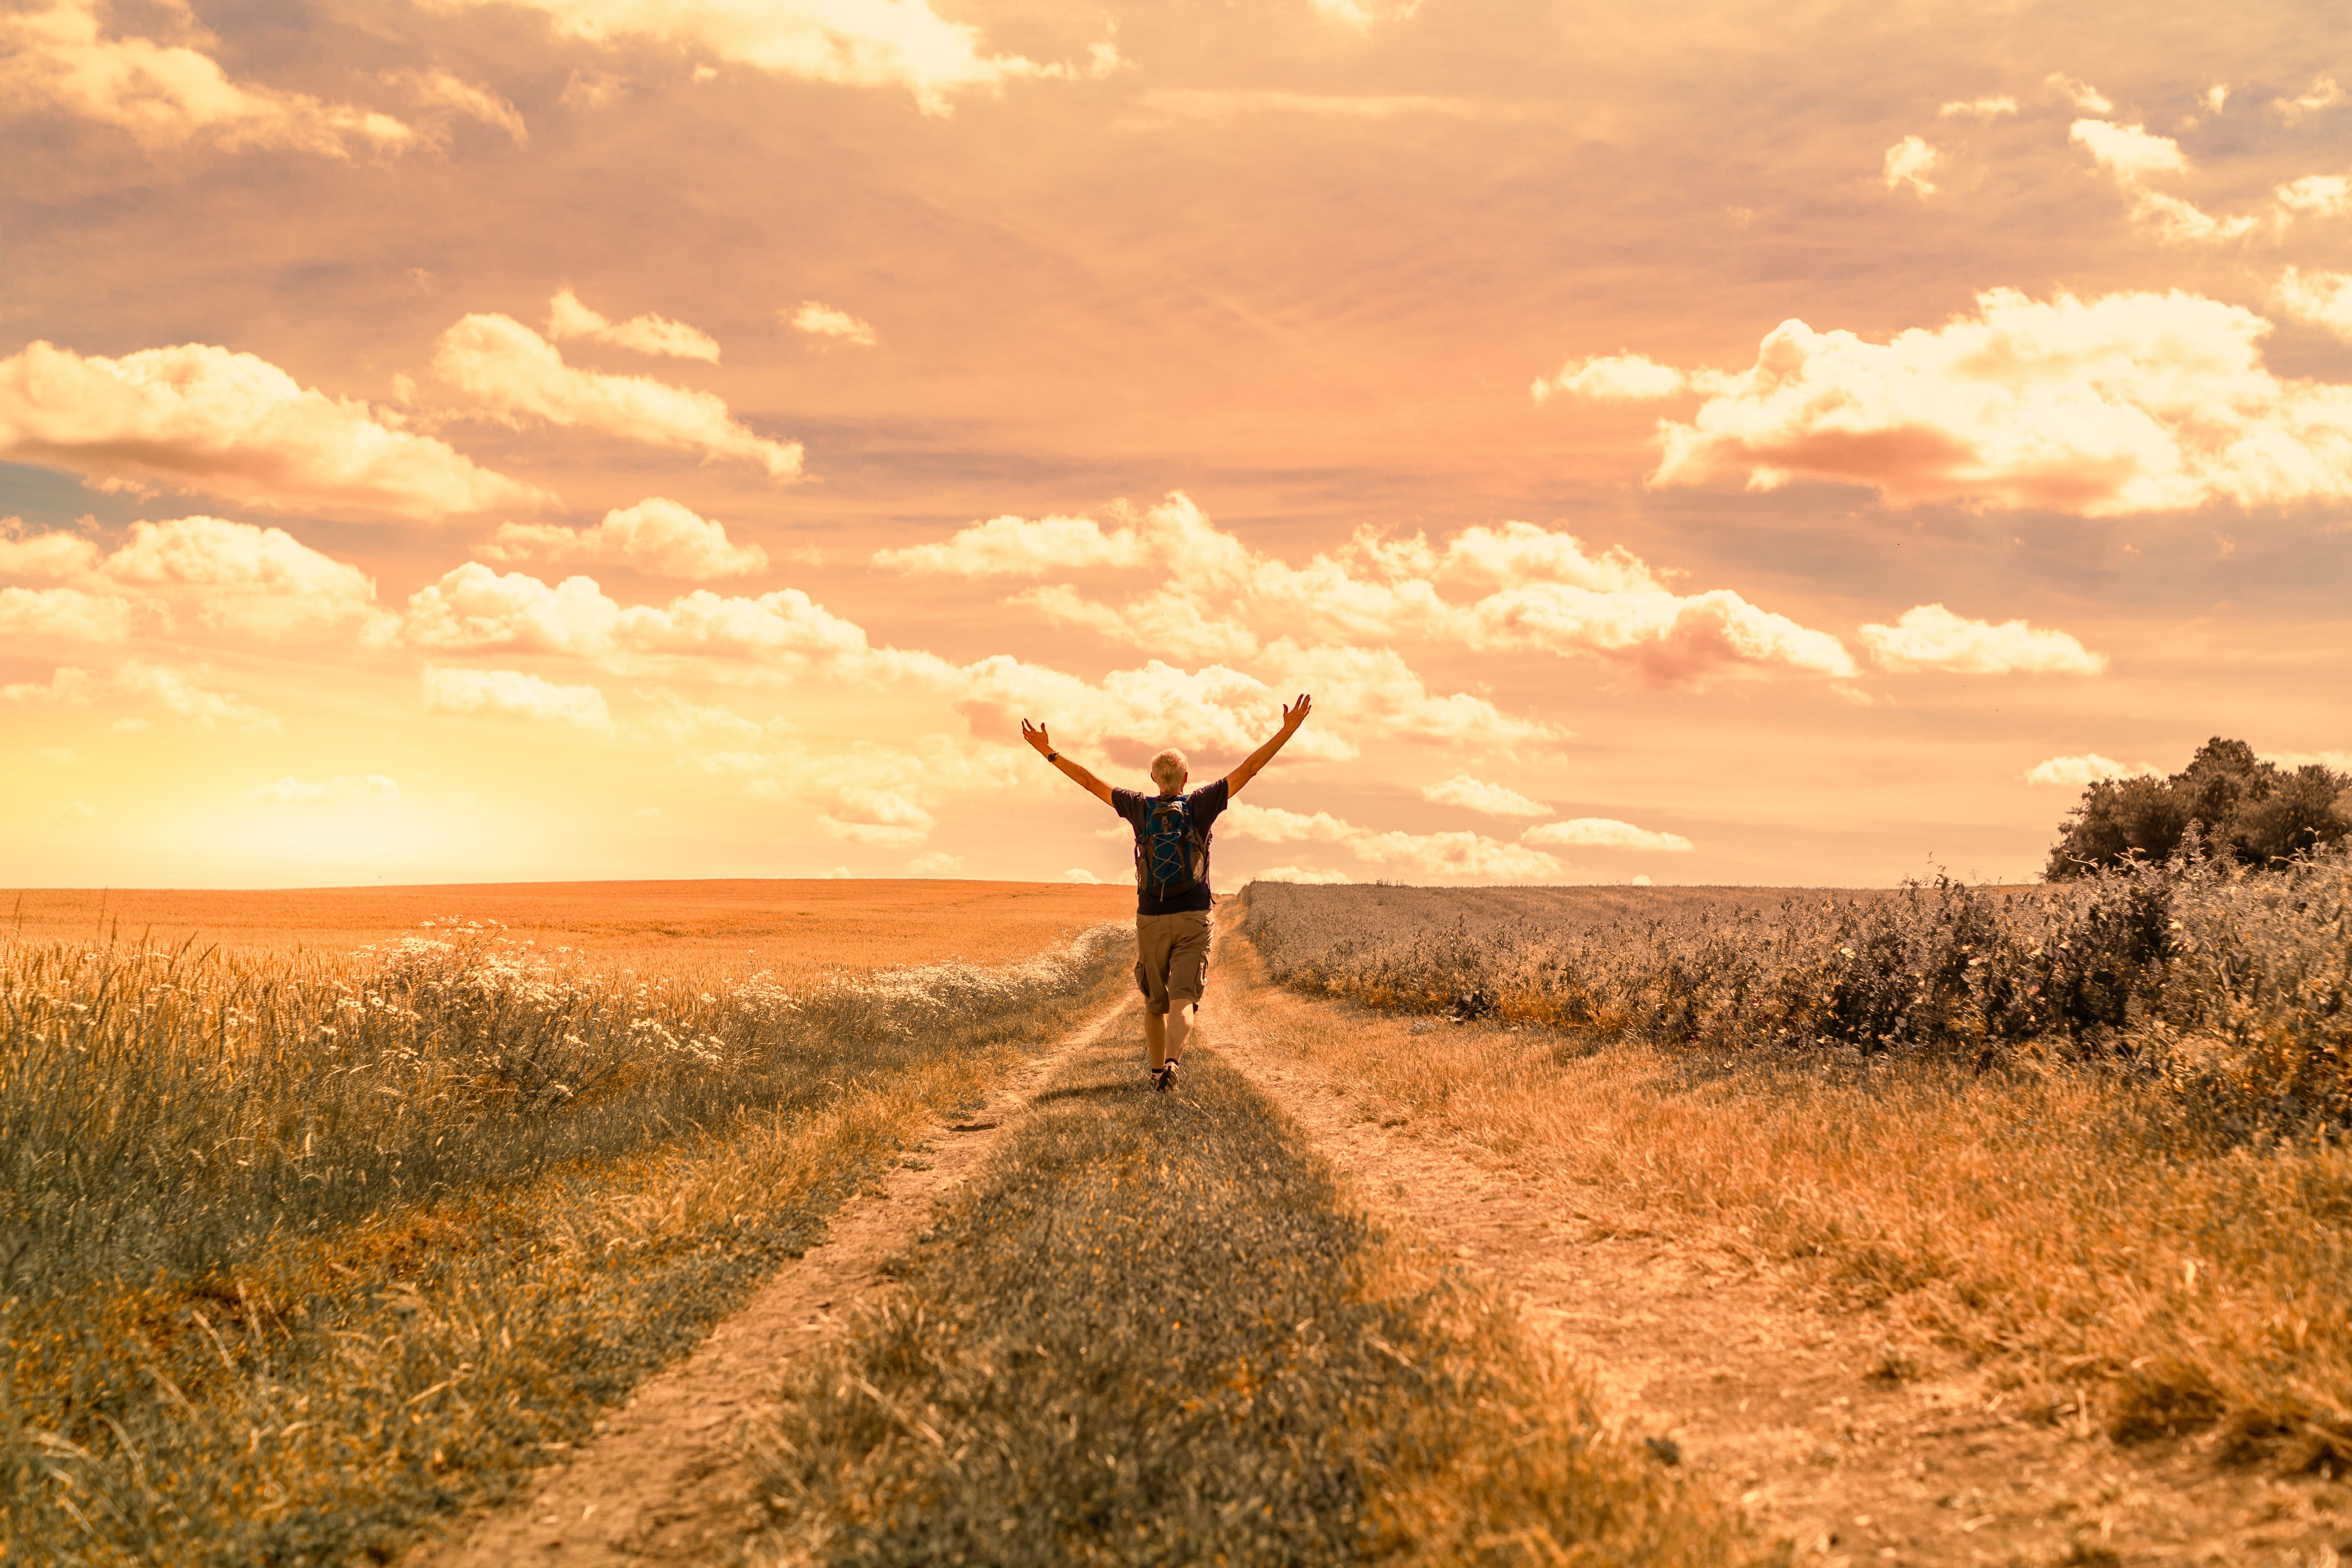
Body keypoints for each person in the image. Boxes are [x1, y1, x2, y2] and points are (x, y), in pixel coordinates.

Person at [1021, 695, 1313, 1091]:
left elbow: (1090, 781)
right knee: (1183, 1002)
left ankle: (1157, 1072)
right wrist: (1288, 730)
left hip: (1151, 917)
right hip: (1193, 916)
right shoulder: (1200, 804)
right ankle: (1174, 1063)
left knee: (1154, 1004)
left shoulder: (1138, 807)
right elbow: (1251, 768)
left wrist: (1049, 753)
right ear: (1186, 779)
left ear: (1155, 779)